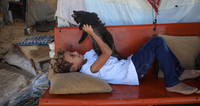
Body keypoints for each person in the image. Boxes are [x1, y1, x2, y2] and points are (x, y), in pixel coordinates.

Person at [51, 24, 200, 95]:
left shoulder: (87, 57)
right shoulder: (89, 69)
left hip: (130, 63)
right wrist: (91, 33)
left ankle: (179, 72)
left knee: (157, 41)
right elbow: (107, 52)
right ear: (73, 69)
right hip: (133, 72)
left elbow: (103, 47)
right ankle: (172, 83)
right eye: (72, 56)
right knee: (157, 42)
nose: (76, 52)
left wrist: (92, 31)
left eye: (72, 51)